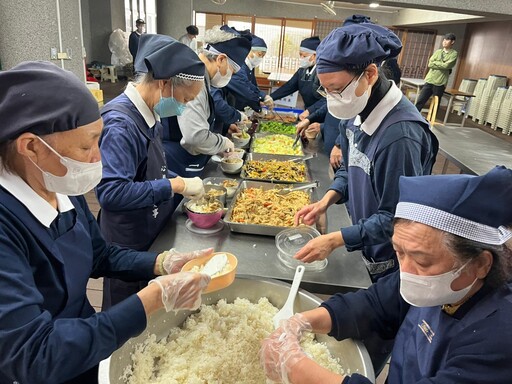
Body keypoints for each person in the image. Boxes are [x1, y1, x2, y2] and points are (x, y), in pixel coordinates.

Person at [0, 61, 212, 384]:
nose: (98, 158)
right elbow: (34, 352)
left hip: (85, 346)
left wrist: (161, 263)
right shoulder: (7, 224)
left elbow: (100, 255)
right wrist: (152, 300)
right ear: (31, 147)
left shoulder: (58, 187)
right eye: (87, 146)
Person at [261, 166, 512, 384]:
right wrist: (301, 322)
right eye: (399, 253)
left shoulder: (499, 338)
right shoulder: (431, 280)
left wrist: (296, 368)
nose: (407, 272)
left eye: (422, 261)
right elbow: (374, 304)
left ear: (480, 264)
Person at [294, 23, 439, 283]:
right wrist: (326, 200)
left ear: (370, 74)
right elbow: (351, 168)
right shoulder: (355, 111)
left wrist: (337, 239)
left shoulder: (399, 136)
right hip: (365, 240)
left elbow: (396, 218)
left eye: (337, 89)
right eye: (325, 90)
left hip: (390, 256)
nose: (332, 98)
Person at [96, 34, 207, 309]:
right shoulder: (121, 124)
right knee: (126, 316)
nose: (184, 106)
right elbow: (111, 192)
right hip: (127, 241)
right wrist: (175, 186)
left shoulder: (150, 113)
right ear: (164, 83)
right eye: (184, 98)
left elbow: (150, 173)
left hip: (150, 232)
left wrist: (174, 181)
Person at [161, 25, 251, 177]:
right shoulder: (194, 78)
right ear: (221, 59)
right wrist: (223, 143)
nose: (230, 77)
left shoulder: (201, 75)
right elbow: (194, 137)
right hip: (176, 158)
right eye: (232, 71)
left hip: (183, 154)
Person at [270, 36, 326, 121]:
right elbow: (289, 86)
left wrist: (309, 111)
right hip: (307, 112)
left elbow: (327, 99)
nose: (301, 58)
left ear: (315, 55)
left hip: (321, 114)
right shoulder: (302, 71)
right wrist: (271, 97)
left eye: (304, 55)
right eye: (300, 55)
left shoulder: (322, 73)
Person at [225, 33, 274, 113]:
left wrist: (262, 96)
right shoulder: (239, 66)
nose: (260, 58)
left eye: (263, 56)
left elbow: (251, 85)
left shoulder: (250, 67)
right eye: (259, 54)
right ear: (249, 51)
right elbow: (244, 88)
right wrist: (258, 105)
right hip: (232, 106)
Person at [415, 33, 458, 113]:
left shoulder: (454, 54)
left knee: (435, 103)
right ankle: (413, 117)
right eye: (444, 40)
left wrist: (436, 63)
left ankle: (431, 120)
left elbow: (447, 66)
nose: (444, 42)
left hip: (440, 82)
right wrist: (441, 64)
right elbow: (430, 64)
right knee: (420, 100)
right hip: (430, 79)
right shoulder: (438, 52)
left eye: (447, 40)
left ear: (452, 42)